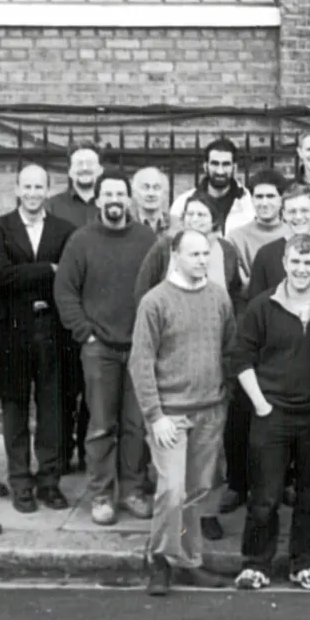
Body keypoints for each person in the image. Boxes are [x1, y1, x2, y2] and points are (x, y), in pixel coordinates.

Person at [130, 228, 237, 595]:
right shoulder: (155, 302)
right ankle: (159, 559)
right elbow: (140, 363)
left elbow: (229, 347)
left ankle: (189, 561)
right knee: (172, 490)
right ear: (175, 255)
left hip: (209, 409)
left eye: (206, 253)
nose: (202, 260)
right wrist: (155, 415)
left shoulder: (219, 297)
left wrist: (223, 399)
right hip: (170, 413)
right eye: (194, 254)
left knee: (196, 490)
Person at [228, 234, 310, 592]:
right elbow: (241, 358)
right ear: (284, 264)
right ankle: (256, 564)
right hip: (271, 410)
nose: (301, 269)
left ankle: (305, 565)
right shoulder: (261, 306)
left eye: (309, 263)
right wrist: (260, 403)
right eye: (295, 262)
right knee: (265, 495)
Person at [55, 172, 158, 526]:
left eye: (120, 193)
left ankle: (131, 490)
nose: (115, 199)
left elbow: (161, 288)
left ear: (129, 199)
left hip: (140, 347)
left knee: (136, 424)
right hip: (99, 348)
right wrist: (86, 333)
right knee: (101, 424)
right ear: (98, 200)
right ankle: (101, 493)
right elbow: (65, 291)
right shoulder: (81, 241)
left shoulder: (147, 239)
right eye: (108, 193)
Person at [0, 163, 75, 515]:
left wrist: (41, 275)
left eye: (40, 187)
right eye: (28, 187)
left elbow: (67, 277)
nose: (34, 193)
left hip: (51, 328)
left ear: (47, 191)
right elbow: (0, 276)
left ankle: (49, 481)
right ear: (17, 190)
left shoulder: (64, 230)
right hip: (12, 331)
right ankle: (20, 481)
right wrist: (46, 270)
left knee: (52, 408)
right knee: (15, 409)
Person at [169, 137, 255, 235]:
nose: (220, 171)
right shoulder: (182, 203)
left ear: (234, 168)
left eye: (226, 164)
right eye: (215, 164)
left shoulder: (249, 203)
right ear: (205, 166)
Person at [228, 170, 289, 279]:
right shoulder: (236, 238)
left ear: (281, 199)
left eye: (270, 196)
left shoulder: (293, 234)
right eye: (259, 197)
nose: (264, 203)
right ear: (252, 199)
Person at [48, 146, 104, 230]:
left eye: (90, 163)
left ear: (100, 170)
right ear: (69, 171)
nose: (85, 168)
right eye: (79, 163)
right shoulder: (52, 206)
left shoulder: (111, 203)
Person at [130, 167, 172, 233]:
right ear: (134, 193)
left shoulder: (176, 227)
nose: (151, 194)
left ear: (165, 193)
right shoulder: (126, 225)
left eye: (156, 187)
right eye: (145, 187)